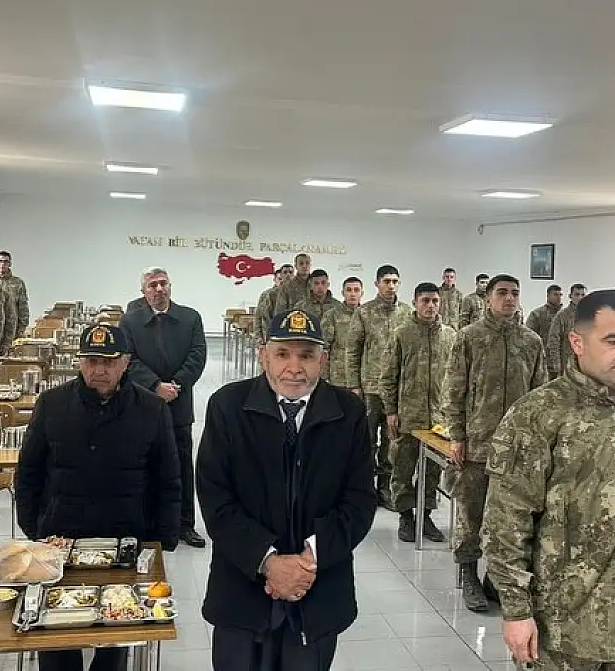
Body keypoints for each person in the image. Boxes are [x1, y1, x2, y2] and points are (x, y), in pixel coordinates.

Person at [484, 289, 615, 669]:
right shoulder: (538, 415)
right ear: (577, 342)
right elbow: (506, 522)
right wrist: (516, 611)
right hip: (564, 632)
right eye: (613, 340)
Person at [197, 309, 376, 671]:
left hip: (318, 590)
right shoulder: (228, 407)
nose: (294, 368)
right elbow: (216, 499)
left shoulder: (349, 413)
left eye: (307, 356)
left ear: (323, 360)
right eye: (282, 354)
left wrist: (308, 559)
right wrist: (268, 561)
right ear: (263, 354)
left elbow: (359, 501)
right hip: (242, 590)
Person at [16, 323, 181, 671]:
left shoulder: (152, 409)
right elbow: (28, 471)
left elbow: (168, 479)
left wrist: (162, 539)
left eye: (109, 361)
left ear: (126, 363)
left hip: (124, 538)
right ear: (79, 362)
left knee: (114, 633)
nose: (99, 370)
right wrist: (34, 527)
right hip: (61, 537)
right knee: (56, 637)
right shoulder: (52, 404)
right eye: (91, 360)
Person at [444, 274, 548, 612]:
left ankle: (496, 578)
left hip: (518, 449)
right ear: (487, 298)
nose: (509, 299)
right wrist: (457, 435)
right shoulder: (469, 339)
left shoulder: (531, 342)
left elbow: (541, 396)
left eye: (515, 293)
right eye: (502, 293)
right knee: (472, 513)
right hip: (478, 444)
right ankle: (469, 574)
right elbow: (454, 391)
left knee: (510, 519)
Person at [120, 267, 209, 549]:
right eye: (152, 285)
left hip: (179, 402)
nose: (159, 289)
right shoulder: (130, 321)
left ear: (170, 287)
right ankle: (149, 523)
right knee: (145, 463)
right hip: (143, 402)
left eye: (163, 284)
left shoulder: (189, 317)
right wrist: (155, 386)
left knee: (182, 463)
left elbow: (198, 354)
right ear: (144, 291)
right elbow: (128, 360)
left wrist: (176, 385)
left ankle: (185, 524)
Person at [379, 282, 455, 544]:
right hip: (408, 415)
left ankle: (425, 515)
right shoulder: (402, 334)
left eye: (434, 301)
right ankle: (405, 516)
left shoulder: (450, 336)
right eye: (425, 300)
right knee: (402, 466)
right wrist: (390, 410)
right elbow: (388, 376)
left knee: (432, 471)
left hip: (439, 420)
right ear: (415, 302)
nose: (430, 306)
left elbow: (456, 379)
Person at [345, 264, 412, 510]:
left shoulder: (407, 313)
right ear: (376, 284)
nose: (391, 285)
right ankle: (363, 490)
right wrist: (354, 384)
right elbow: (353, 350)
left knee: (392, 442)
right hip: (371, 386)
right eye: (386, 281)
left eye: (395, 281)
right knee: (367, 441)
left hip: (396, 389)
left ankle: (386, 489)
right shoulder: (364, 313)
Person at [320, 276, 363, 386]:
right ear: (342, 293)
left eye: (356, 290)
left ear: (361, 293)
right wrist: (324, 377)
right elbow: (323, 348)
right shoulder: (332, 315)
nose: (352, 294)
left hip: (364, 378)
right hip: (338, 378)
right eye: (348, 290)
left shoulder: (368, 315)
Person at [544, 283, 587, 377]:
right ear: (570, 296)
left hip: (586, 363)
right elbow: (553, 341)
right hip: (567, 364)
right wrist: (556, 365)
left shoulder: (588, 316)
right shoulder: (562, 316)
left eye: (583, 295)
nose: (580, 297)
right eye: (577, 294)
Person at [0, 250, 31, 339]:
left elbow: (23, 307)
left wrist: (22, 328)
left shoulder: (18, 283)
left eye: (6, 261)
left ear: (10, 264)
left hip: (11, 327)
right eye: (0, 261)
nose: (3, 264)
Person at [257, 264, 294, 341]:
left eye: (291, 272)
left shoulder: (298, 294)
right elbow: (262, 317)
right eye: (285, 272)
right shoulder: (270, 295)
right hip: (276, 334)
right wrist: (261, 337)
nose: (288, 275)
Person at [273, 253, 314, 317]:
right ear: (296, 266)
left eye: (307, 263)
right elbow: (279, 313)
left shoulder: (316, 284)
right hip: (294, 324)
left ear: (310, 265)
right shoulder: (287, 287)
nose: (304, 266)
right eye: (301, 263)